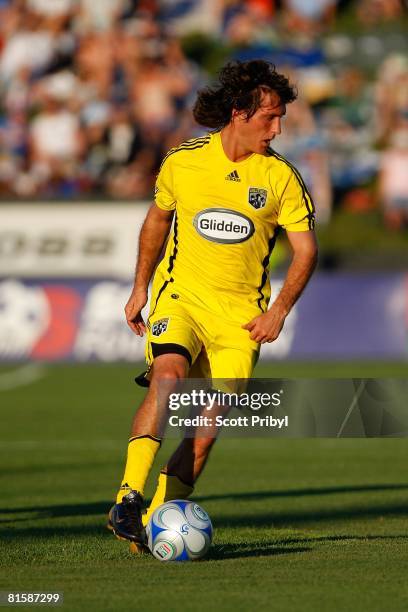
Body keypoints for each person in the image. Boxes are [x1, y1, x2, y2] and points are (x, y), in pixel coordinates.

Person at [108, 59, 318, 552]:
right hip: (182, 297)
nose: (278, 128)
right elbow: (157, 221)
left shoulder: (281, 177)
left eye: (281, 118)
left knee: (204, 433)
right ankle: (128, 497)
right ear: (239, 113)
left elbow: (306, 251)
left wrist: (278, 310)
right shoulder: (183, 161)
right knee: (169, 377)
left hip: (240, 319)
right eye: (270, 117)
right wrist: (141, 286)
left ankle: (155, 522)